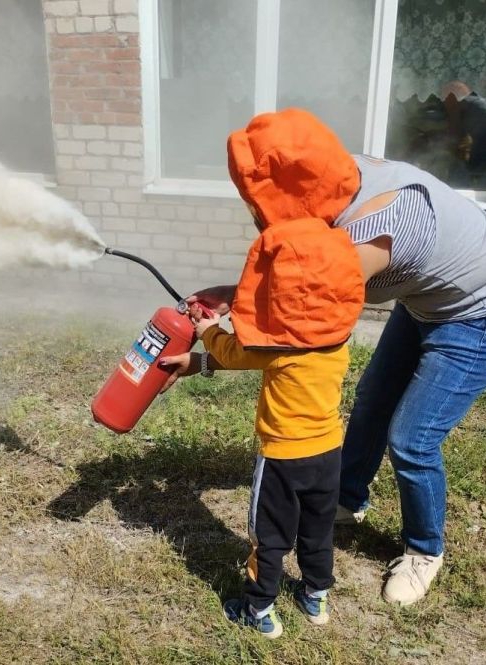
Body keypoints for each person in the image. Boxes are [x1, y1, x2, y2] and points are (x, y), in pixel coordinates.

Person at [163, 107, 486, 607]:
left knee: (413, 438)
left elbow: (289, 332)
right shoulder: (337, 173)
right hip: (430, 295)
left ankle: (425, 550)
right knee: (372, 401)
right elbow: (292, 313)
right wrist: (234, 296)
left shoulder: (373, 235)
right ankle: (347, 499)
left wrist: (211, 346)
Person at [162, 123, 365, 637]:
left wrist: (208, 328)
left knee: (270, 536)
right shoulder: (336, 342)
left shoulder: (273, 348)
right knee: (317, 531)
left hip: (282, 457)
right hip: (328, 453)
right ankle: (316, 599)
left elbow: (233, 350)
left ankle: (259, 611)